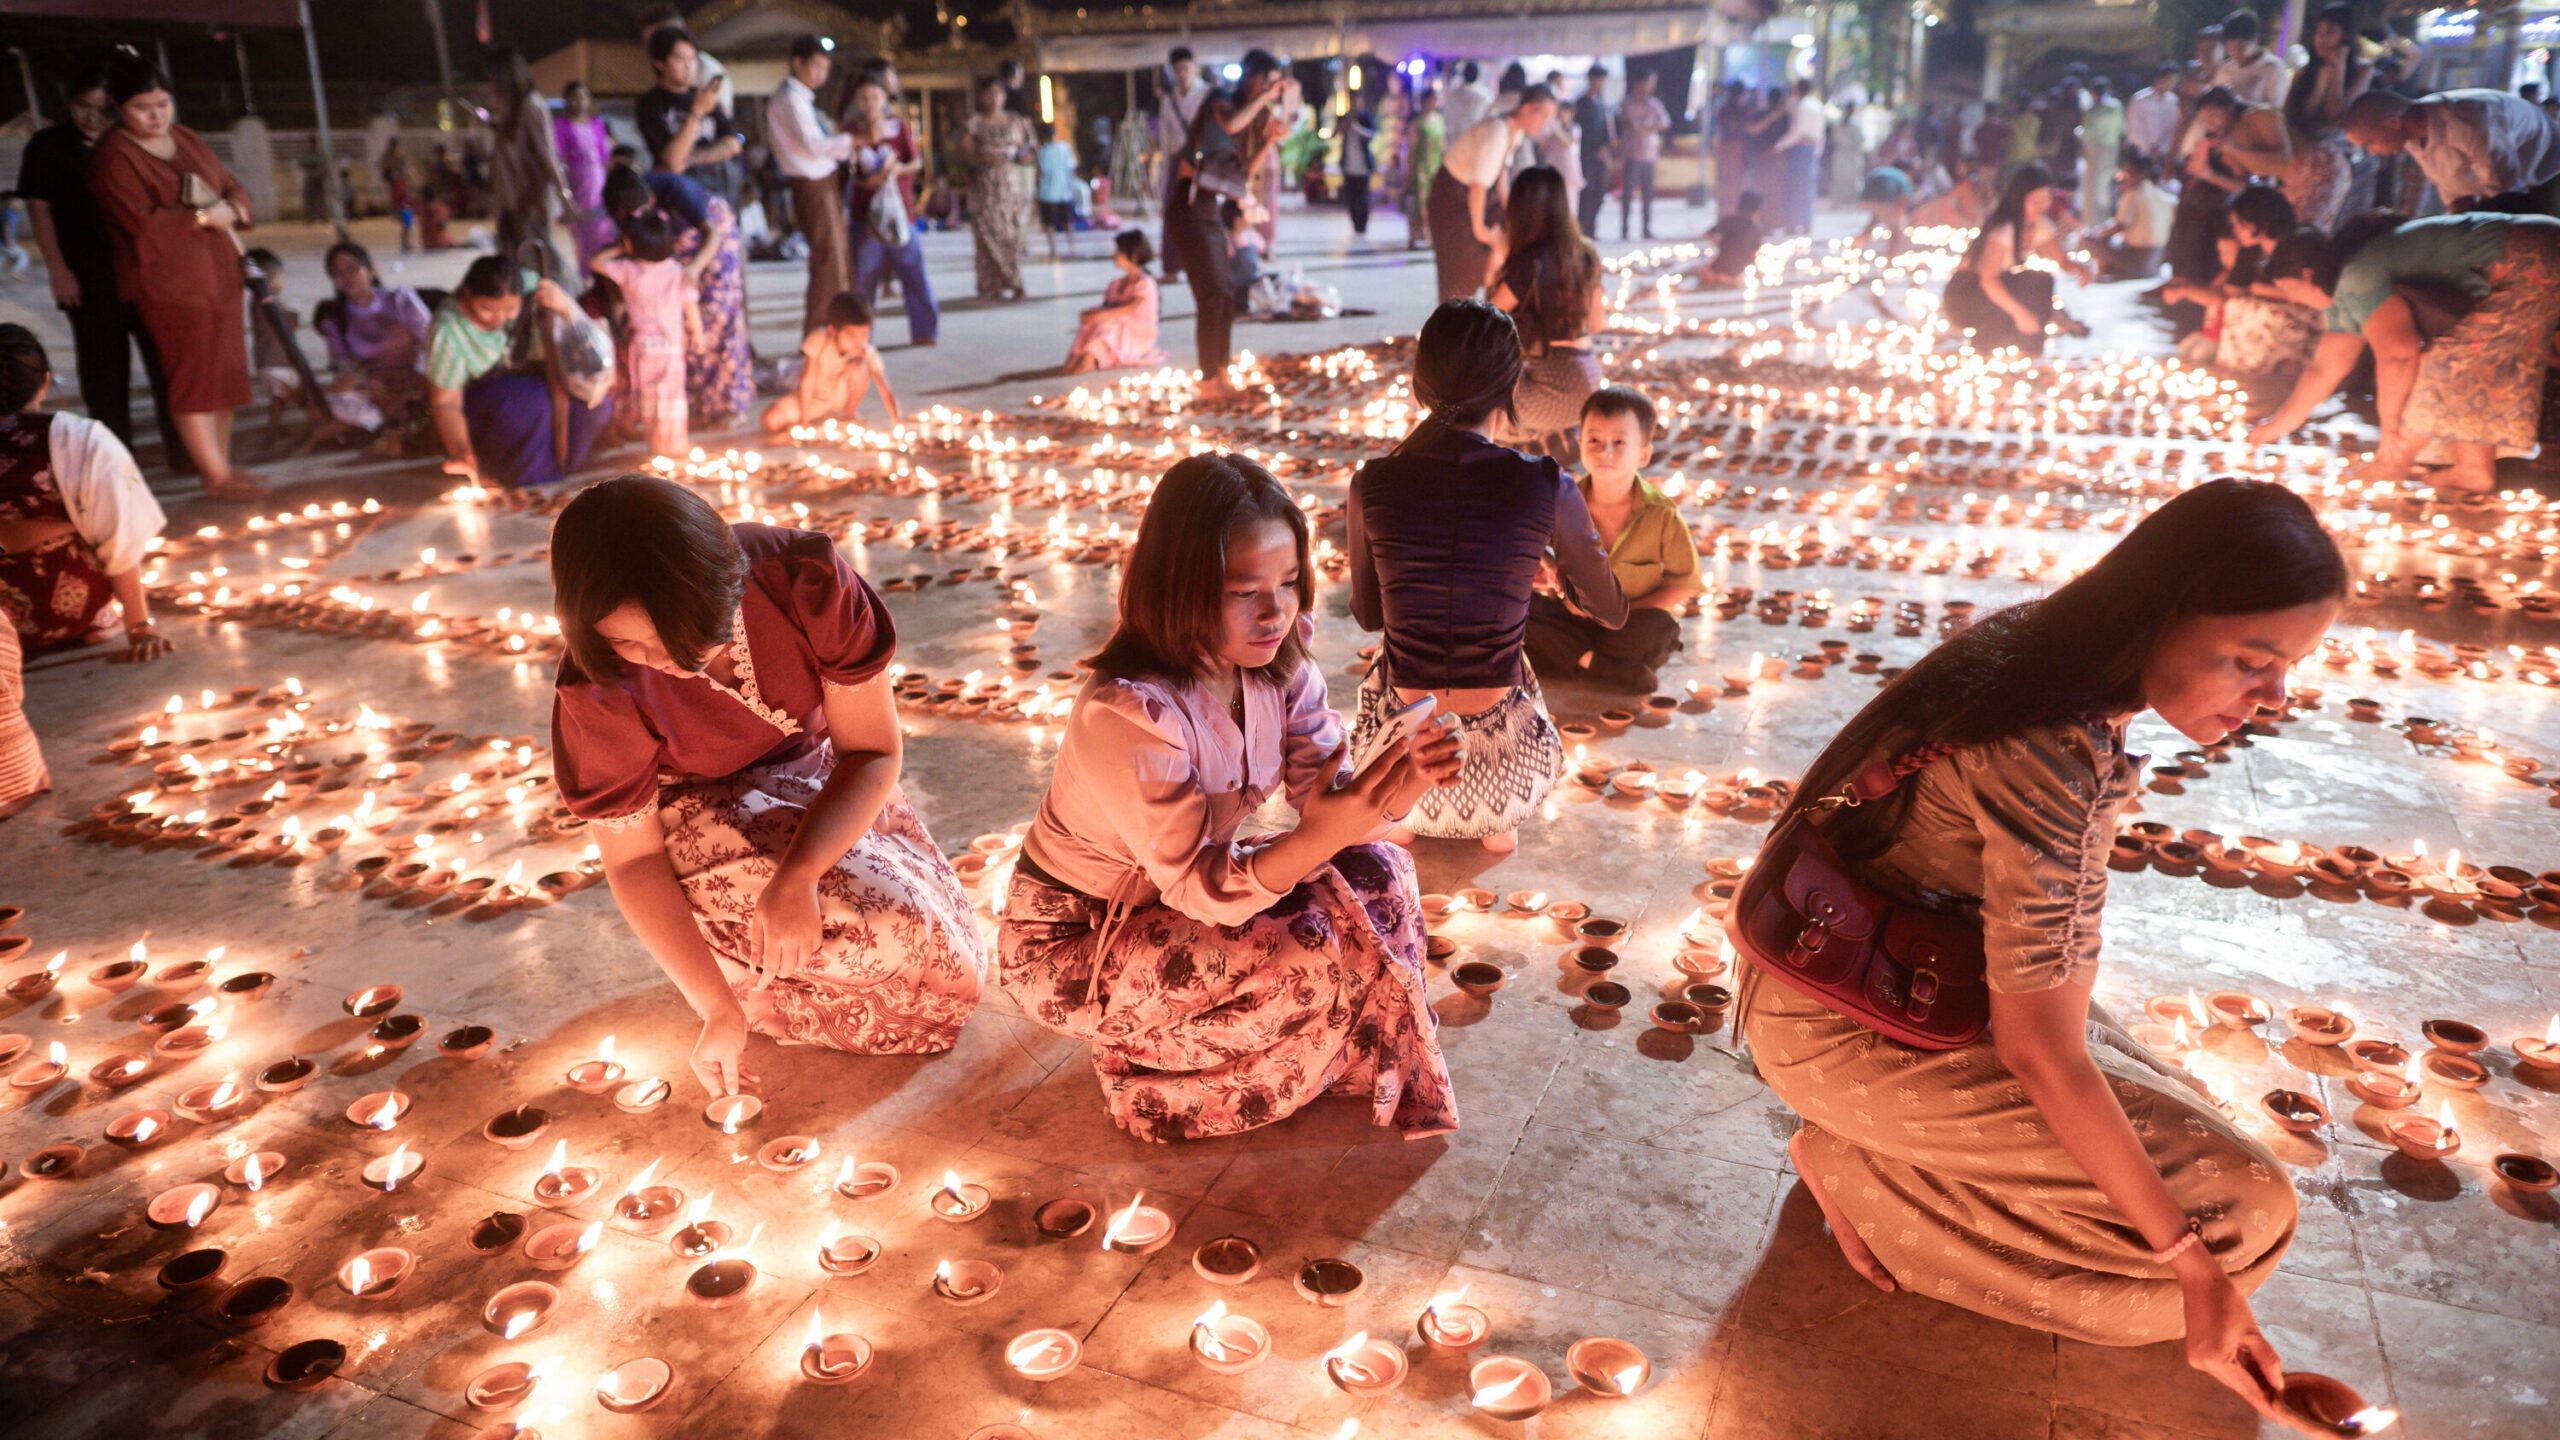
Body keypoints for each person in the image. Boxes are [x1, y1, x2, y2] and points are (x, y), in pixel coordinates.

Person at [1744, 480, 2338, 1425]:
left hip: (1909, 976)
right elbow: (2042, 1052)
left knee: (2208, 1165)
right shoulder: (2045, 750)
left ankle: (1884, 1154)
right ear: (2161, 614)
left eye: (2290, 667)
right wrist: (2193, 1272)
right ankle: (1853, 1168)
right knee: (2243, 1221)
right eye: (2251, 662)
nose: (2272, 698)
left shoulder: (2043, 657)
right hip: (1852, 1023)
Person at [997, 453, 1462, 1143]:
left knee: (1380, 873)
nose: (1275, 612)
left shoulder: (1276, 663)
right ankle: (1150, 1080)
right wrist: (1321, 836)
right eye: (1244, 591)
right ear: (1179, 590)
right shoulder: (1129, 713)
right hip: (1079, 940)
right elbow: (1201, 886)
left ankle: (1321, 1050)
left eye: (1289, 582)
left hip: (1177, 901)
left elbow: (1328, 798)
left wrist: (1410, 775)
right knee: (1304, 950)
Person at [551, 476, 985, 1094]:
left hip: (821, 773)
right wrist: (717, 1009)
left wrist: (798, 876)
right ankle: (729, 964)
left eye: (684, 631)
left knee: (945, 958)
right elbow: (634, 860)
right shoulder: (599, 687)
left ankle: (761, 943)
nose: (664, 658)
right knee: (879, 937)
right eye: (626, 641)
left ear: (724, 586)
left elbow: (872, 751)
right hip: (696, 811)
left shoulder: (801, 581)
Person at [1346, 299, 1627, 852]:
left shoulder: (1372, 482)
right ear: (1511, 384)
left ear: (1421, 383)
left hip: (1398, 773)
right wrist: (1542, 570)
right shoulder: (1544, 482)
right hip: (1509, 781)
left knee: (1391, 650)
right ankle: (1498, 829)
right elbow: (1611, 610)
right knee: (1513, 650)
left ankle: (1402, 821)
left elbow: (1369, 614)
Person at [2252, 210, 2560, 491]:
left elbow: (2398, 356)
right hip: (2537, 248)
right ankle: (2470, 469)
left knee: (2449, 359)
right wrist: (2275, 427)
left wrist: (2390, 428)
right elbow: (2324, 369)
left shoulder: (2357, 275)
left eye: (2290, 289)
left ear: (2308, 275)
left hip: (2530, 254)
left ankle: (2398, 464)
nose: (2293, 299)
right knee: (2461, 356)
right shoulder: (2346, 289)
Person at [85, 54, 264, 500]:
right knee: (193, 381)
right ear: (119, 108)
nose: (156, 116)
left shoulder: (185, 138)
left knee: (223, 378)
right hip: (170, 287)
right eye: (142, 108)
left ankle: (222, 466)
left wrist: (234, 208)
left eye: (163, 104)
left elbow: (230, 184)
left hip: (219, 277)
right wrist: (202, 218)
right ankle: (214, 474)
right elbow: (141, 223)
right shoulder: (114, 156)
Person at [12, 61, 174, 463]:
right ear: (69, 102)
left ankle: (183, 451)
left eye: (104, 110)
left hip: (144, 273)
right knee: (104, 376)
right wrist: (58, 270)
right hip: (87, 277)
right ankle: (115, 460)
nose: (92, 117)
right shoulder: (49, 145)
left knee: (167, 367)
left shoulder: (132, 142)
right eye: (83, 106)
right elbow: (39, 208)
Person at [0, 324, 170, 659]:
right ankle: (102, 621)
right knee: (99, 519)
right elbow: (119, 536)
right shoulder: (80, 439)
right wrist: (139, 625)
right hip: (66, 617)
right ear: (45, 382)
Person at [1523, 386, 1697, 692]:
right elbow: (1528, 545)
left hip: (1629, 624)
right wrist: (1549, 570)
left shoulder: (1661, 514)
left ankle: (1576, 659)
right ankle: (1602, 666)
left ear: (1643, 454)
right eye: (1594, 440)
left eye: (1619, 442)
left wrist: (1624, 610)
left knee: (1660, 628)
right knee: (1518, 605)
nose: (1605, 452)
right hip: (1572, 620)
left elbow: (1684, 584)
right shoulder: (1561, 502)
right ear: (1580, 445)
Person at [1168, 51, 1298, 390]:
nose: (1271, 90)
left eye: (1275, 85)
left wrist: (1269, 141)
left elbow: (1245, 175)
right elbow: (1230, 124)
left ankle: (1221, 374)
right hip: (1187, 204)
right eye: (1267, 81)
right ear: (1250, 76)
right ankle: (1209, 381)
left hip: (1210, 207)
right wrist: (1265, 99)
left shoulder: (1252, 120)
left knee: (1226, 293)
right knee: (1212, 295)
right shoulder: (1220, 99)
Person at [426, 255, 614, 490]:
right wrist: (461, 451)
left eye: (510, 309)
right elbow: (445, 402)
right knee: (528, 404)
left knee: (592, 405)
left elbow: (573, 327)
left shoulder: (530, 286)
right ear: (467, 294)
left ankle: (556, 469)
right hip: (485, 400)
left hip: (534, 379)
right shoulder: (448, 329)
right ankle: (530, 479)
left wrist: (564, 304)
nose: (499, 318)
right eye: (487, 308)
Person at [602, 164, 752, 426]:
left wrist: (694, 268)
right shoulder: (627, 208)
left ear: (650, 200)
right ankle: (697, 404)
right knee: (680, 324)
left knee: (718, 313)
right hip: (677, 252)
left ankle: (729, 404)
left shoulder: (677, 190)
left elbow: (713, 235)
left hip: (714, 237)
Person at [1487, 167, 1606, 459]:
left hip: (1553, 393)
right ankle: (1557, 438)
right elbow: (1597, 323)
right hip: (1591, 383)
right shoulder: (1586, 253)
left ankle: (1533, 441)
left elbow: (1485, 320)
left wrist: (1496, 258)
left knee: (1471, 399)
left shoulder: (1530, 261)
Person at [1942, 163, 2092, 355]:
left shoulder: (2039, 226)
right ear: (2020, 199)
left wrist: (2080, 269)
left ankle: (2030, 346)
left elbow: (2062, 260)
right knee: (2022, 293)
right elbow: (1988, 280)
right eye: (2034, 200)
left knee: (2042, 280)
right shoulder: (2004, 230)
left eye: (2045, 199)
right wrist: (2021, 313)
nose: (2041, 206)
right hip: (1966, 296)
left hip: (1991, 290)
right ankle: (1986, 344)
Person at [1430, 84, 1559, 301]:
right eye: (1544, 116)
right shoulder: (1497, 132)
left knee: (1495, 250)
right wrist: (1481, 231)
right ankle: (1457, 316)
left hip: (1469, 197)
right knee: (1459, 271)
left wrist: (1511, 212)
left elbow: (1501, 176)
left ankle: (1489, 305)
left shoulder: (1514, 133)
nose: (1544, 123)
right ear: (1527, 108)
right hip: (1451, 199)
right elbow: (1478, 186)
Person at [2344, 88, 2560, 214]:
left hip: (2548, 170)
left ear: (2392, 123)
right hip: (2512, 191)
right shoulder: (2411, 137)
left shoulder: (2467, 122)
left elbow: (2506, 198)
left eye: (2369, 143)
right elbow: (2456, 194)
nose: (2372, 152)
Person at [592, 208, 698, 460]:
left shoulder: (628, 270)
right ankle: (675, 445)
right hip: (672, 345)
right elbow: (690, 305)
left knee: (649, 397)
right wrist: (699, 335)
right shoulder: (677, 271)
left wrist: (620, 248)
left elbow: (595, 263)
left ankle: (656, 446)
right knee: (672, 396)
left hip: (643, 347)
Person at [766, 36, 856, 337]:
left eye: (825, 68)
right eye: (816, 66)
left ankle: (837, 330)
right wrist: (852, 141)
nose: (821, 74)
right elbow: (813, 145)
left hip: (822, 182)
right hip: (812, 184)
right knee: (829, 262)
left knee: (837, 259)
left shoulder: (800, 98)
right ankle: (821, 334)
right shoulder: (790, 99)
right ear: (798, 63)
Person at [841, 72, 937, 347]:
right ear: (856, 100)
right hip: (864, 217)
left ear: (884, 98)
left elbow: (915, 163)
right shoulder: (849, 133)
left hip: (899, 214)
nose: (869, 103)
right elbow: (844, 173)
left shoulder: (898, 127)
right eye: (863, 98)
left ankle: (925, 331)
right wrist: (864, 181)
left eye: (874, 97)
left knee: (913, 272)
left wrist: (896, 170)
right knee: (864, 280)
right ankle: (860, 338)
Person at [312, 241, 433, 448]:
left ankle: (379, 425)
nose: (346, 277)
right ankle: (389, 424)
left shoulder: (400, 300)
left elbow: (431, 344)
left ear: (371, 270)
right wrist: (364, 383)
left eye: (352, 268)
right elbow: (342, 369)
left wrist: (417, 380)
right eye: (337, 272)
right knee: (318, 408)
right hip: (377, 387)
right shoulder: (336, 320)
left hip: (417, 380)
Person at [764, 291, 898, 434]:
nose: (859, 341)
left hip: (839, 398)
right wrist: (805, 421)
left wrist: (897, 421)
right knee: (770, 420)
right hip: (813, 399)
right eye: (852, 335)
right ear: (833, 330)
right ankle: (822, 417)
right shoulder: (819, 340)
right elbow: (807, 380)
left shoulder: (866, 352)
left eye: (865, 334)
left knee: (859, 368)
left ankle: (849, 415)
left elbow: (885, 388)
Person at [485, 52, 570, 275]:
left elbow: (547, 156)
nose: (491, 86)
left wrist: (564, 197)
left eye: (494, 78)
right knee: (517, 264)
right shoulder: (511, 110)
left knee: (536, 265)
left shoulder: (532, 106)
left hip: (528, 203)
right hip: (511, 203)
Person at [637, 29, 742, 208]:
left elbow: (734, 143)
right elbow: (672, 160)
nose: (689, 66)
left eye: (692, 59)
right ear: (660, 63)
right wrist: (697, 112)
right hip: (680, 199)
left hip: (720, 193)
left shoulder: (702, 95)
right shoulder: (651, 103)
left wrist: (690, 159)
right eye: (680, 59)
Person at [958, 77, 1036, 302]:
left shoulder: (1015, 121)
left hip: (1009, 184)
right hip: (985, 184)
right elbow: (963, 150)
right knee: (987, 233)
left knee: (1010, 235)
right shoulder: (976, 122)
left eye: (998, 93)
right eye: (989, 93)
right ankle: (992, 284)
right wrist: (983, 157)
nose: (994, 98)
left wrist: (1014, 157)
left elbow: (1029, 149)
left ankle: (1015, 281)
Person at [1063, 231, 1168, 373]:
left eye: (1119, 251)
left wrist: (1099, 316)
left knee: (1106, 324)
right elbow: (1107, 307)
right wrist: (1092, 313)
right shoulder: (1116, 284)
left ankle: (1089, 360)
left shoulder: (1145, 283)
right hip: (1120, 329)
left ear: (1134, 256)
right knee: (1094, 323)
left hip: (1136, 335)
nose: (1114, 255)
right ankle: (1077, 360)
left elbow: (1130, 309)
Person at [1157, 48, 1213, 282]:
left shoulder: (1208, 94)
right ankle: (1171, 268)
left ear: (1194, 67)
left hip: (1203, 161)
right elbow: (1164, 139)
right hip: (1177, 161)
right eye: (1177, 70)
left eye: (1185, 68)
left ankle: (1205, 266)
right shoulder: (1168, 100)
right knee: (1172, 213)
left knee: (1202, 214)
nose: (1182, 74)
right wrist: (1162, 176)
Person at [2090, 153, 2177, 279]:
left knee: (2087, 241)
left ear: (2141, 174)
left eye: (2128, 173)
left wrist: (2097, 233)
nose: (2122, 178)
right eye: (2122, 172)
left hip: (2138, 261)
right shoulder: (2161, 194)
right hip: (2156, 263)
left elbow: (2118, 228)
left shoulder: (2132, 194)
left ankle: (2099, 271)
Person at [1615, 71, 1669, 241]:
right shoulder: (1628, 104)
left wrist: (1648, 126)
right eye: (1648, 83)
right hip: (1631, 155)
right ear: (1639, 83)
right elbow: (1630, 124)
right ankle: (1625, 228)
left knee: (1648, 194)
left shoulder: (1654, 103)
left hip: (1649, 155)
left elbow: (1665, 122)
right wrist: (1647, 126)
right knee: (1628, 194)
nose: (1650, 87)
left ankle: (1646, 227)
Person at [1774, 79, 1827, 236]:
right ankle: (1805, 223)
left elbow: (1798, 131)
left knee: (1795, 188)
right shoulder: (1817, 105)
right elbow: (1821, 132)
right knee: (1807, 188)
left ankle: (1793, 223)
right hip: (1811, 150)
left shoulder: (1803, 106)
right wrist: (1818, 150)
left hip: (1800, 150)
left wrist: (1779, 146)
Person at [2210, 9, 2289, 107]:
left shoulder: (2272, 67)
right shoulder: (2226, 69)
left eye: (2240, 48)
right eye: (2230, 48)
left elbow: (2275, 109)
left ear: (2255, 39)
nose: (2235, 53)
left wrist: (2237, 102)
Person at [1574, 66, 1617, 238]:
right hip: (1585, 156)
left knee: (1599, 192)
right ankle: (1582, 229)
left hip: (1600, 156)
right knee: (1587, 193)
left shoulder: (1601, 103)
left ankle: (1591, 227)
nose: (1600, 84)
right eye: (1598, 80)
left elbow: (1606, 130)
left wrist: (1606, 148)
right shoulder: (1581, 104)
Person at [1403, 86, 1447, 253]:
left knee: (1435, 203)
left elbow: (1443, 146)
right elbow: (1412, 149)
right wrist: (1409, 172)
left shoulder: (1439, 121)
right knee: (1418, 203)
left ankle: (1432, 236)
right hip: (1421, 169)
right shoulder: (1417, 123)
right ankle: (1416, 235)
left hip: (1436, 168)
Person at [2080, 77, 2127, 218]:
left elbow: (2086, 135)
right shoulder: (2116, 106)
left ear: (2093, 93)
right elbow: (2122, 129)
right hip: (2112, 150)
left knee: (2092, 186)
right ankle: (2105, 217)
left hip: (2095, 151)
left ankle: (2092, 219)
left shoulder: (2092, 111)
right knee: (2106, 184)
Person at [1698, 189, 1766, 286]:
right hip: (1740, 274)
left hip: (1717, 270)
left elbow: (1707, 234)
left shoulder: (1730, 221)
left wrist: (1718, 243)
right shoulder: (1755, 228)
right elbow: (1754, 253)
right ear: (1757, 209)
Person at [1036, 123, 1081, 259]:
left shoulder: (1043, 152)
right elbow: (1072, 168)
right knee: (1068, 221)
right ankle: (1072, 246)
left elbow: (1040, 171)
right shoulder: (1064, 148)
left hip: (1047, 193)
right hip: (1064, 191)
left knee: (1049, 222)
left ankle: (1053, 249)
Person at [2127, 61, 2185, 164]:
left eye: (2175, 82)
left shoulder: (2174, 101)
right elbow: (2135, 126)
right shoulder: (2140, 99)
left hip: (2163, 154)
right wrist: (2148, 148)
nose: (2172, 85)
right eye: (2170, 80)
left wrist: (2161, 149)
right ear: (2159, 79)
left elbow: (2173, 128)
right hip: (2139, 152)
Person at [1339, 105, 1378, 237]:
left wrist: (1355, 126)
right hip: (1348, 167)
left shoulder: (1365, 118)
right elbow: (1335, 133)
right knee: (1351, 197)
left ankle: (1363, 224)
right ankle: (1355, 223)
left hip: (1363, 167)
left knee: (1363, 197)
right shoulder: (1344, 118)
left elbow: (1371, 135)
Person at [1859, 165, 1913, 254]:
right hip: (1885, 201)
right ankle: (1891, 256)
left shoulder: (1883, 171)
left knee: (1876, 218)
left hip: (1867, 200)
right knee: (1896, 230)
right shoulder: (1903, 177)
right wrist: (1900, 215)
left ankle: (1858, 243)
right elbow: (1903, 198)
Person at [1443, 61, 1494, 142]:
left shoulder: (1452, 95)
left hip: (1455, 142)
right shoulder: (1486, 96)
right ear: (1478, 76)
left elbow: (1447, 121)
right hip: (1476, 142)